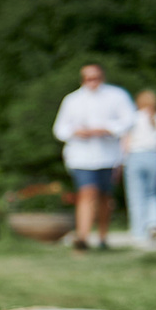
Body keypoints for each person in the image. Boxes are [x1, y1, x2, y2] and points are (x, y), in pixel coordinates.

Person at [51, 63, 133, 250]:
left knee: (104, 197)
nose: (92, 82)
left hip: (108, 156)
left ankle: (103, 237)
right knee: (87, 193)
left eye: (95, 78)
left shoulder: (117, 96)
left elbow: (128, 120)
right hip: (81, 156)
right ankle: (83, 237)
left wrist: (107, 129)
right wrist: (77, 132)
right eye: (88, 78)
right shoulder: (72, 100)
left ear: (101, 77)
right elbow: (60, 129)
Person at [120, 89, 156, 244]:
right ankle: (154, 223)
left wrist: (122, 162)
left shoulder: (133, 118)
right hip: (154, 158)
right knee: (152, 194)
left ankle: (138, 230)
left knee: (136, 196)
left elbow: (125, 143)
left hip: (135, 157)